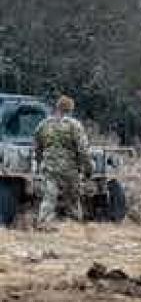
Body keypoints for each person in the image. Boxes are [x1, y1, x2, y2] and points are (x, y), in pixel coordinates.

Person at [33, 95, 92, 226]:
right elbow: (83, 150)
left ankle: (43, 224)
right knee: (73, 199)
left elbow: (37, 148)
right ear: (70, 109)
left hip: (49, 168)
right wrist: (88, 169)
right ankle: (74, 226)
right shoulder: (75, 126)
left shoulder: (43, 125)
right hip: (69, 170)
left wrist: (38, 164)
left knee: (48, 198)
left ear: (57, 107)